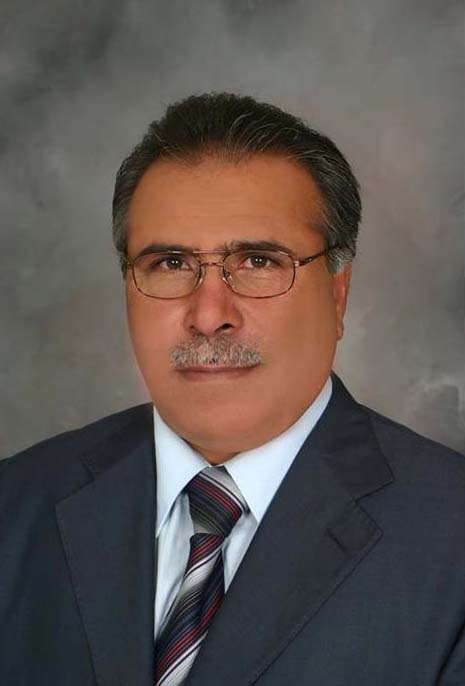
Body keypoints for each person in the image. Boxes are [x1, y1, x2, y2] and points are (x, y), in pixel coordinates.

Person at [1, 92, 464, 686]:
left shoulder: (450, 538)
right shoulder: (16, 508)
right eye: (170, 263)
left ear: (338, 294)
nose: (208, 315)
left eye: (257, 262)